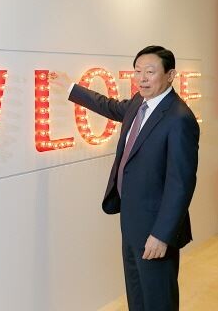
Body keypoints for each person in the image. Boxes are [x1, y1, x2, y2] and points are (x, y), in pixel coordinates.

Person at [53, 46, 199, 310]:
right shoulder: (138, 103)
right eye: (138, 71)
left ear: (170, 75)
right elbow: (109, 106)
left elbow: (181, 184)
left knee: (158, 300)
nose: (142, 78)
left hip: (155, 229)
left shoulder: (179, 119)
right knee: (137, 297)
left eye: (150, 72)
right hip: (131, 221)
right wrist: (72, 89)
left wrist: (161, 235)